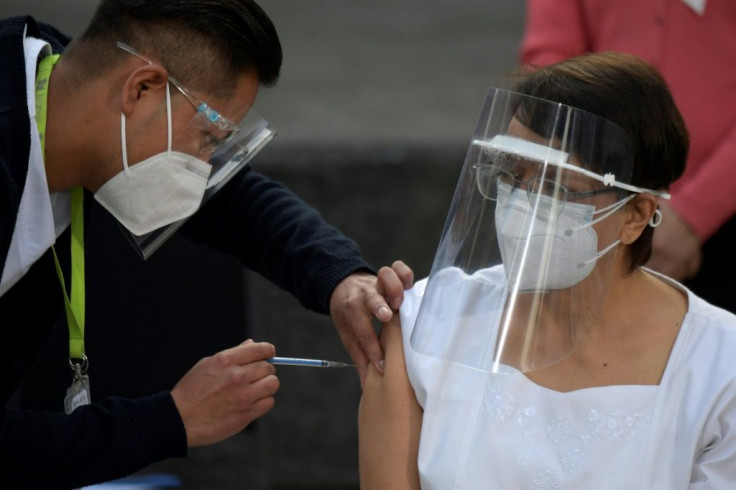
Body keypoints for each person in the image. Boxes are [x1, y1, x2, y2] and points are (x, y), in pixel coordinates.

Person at [0, 0, 411, 487]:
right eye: (207, 140)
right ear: (142, 88)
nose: (200, 175)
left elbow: (236, 203)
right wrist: (170, 421)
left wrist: (342, 277)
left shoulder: (68, 90)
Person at [359, 52, 736, 489]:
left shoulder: (720, 367)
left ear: (636, 214)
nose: (523, 202)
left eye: (556, 186)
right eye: (511, 174)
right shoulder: (428, 321)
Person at [519, 0, 736, 313]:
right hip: (592, 201)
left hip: (722, 215)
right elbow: (550, 64)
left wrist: (694, 215)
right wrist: (584, 187)